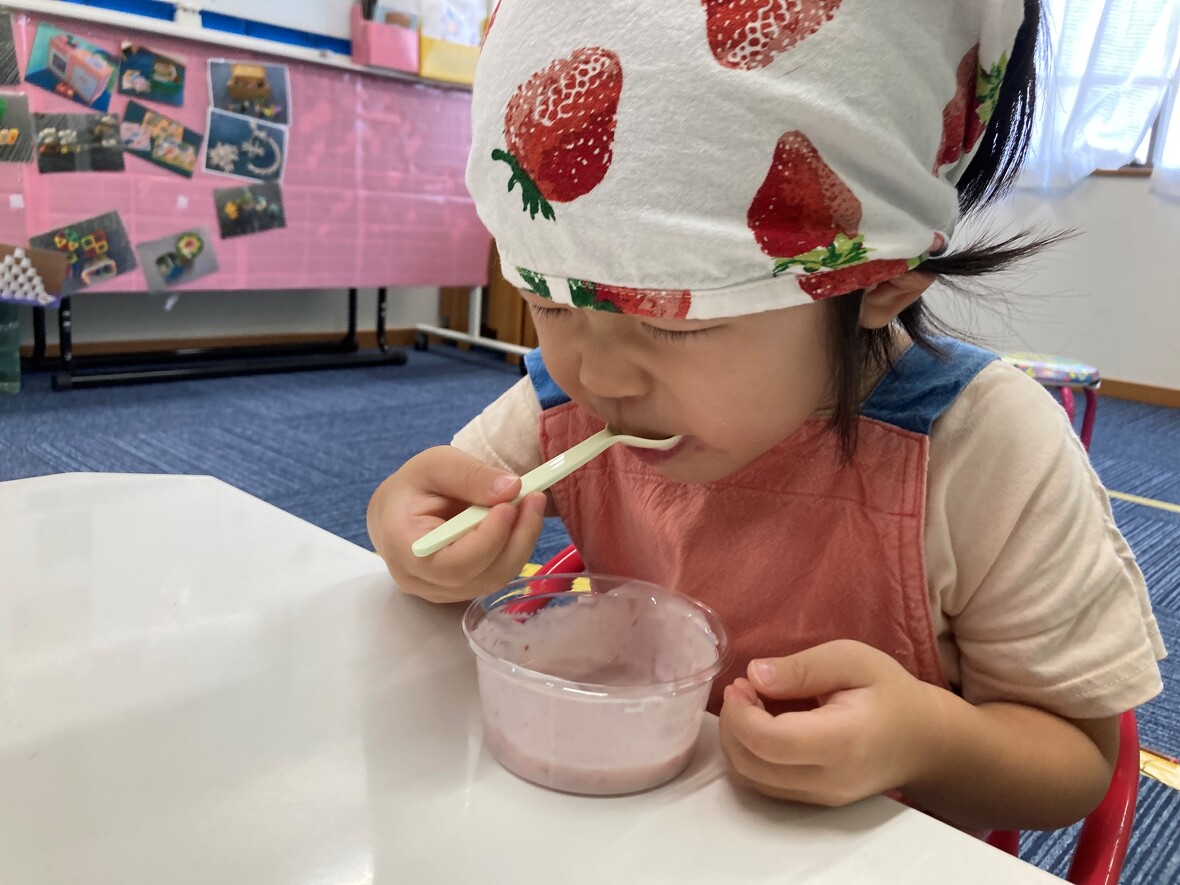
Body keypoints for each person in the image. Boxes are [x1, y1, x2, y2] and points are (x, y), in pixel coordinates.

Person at [368, 0, 1165, 832]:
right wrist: (414, 528)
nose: (597, 374)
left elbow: (1078, 760)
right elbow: (439, 510)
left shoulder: (986, 452)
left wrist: (926, 741)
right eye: (550, 304)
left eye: (675, 324)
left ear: (881, 281)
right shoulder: (560, 405)